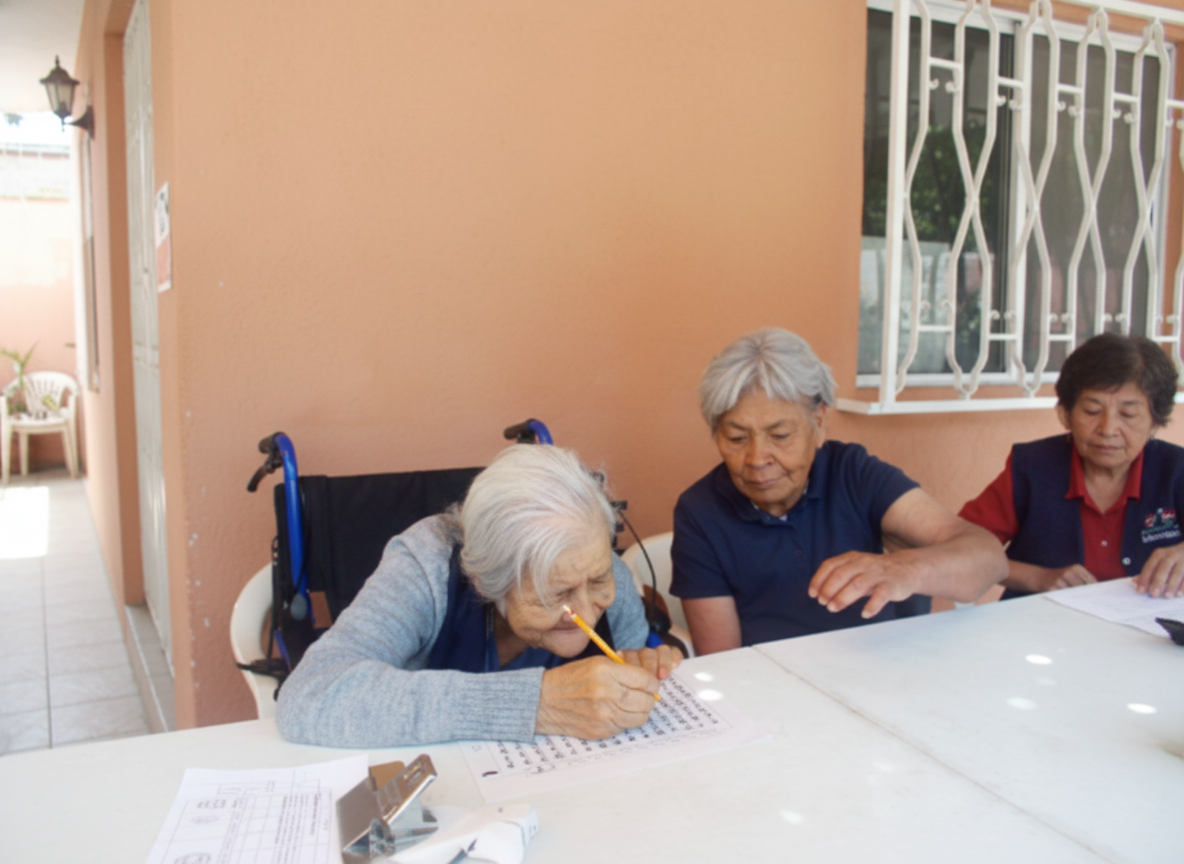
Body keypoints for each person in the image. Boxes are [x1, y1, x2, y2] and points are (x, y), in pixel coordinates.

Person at [276, 444, 681, 747]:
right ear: (489, 579)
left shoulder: (595, 566)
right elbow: (310, 695)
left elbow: (630, 662)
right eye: (555, 593)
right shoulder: (426, 565)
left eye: (598, 581)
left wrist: (639, 670)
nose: (586, 613)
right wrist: (537, 703)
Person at [670, 328, 1007, 653]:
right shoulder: (701, 512)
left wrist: (905, 568)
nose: (757, 459)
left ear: (819, 422)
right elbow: (725, 661)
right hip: (773, 681)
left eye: (780, 435)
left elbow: (989, 559)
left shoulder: (853, 474)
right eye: (737, 438)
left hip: (882, 669)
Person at [960, 332, 1184, 600]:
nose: (1108, 429)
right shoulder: (1031, 467)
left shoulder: (1176, 469)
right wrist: (1038, 578)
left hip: (1147, 624)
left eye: (1128, 414)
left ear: (1155, 421)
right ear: (1065, 413)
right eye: (1092, 411)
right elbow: (960, 547)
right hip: (1040, 620)